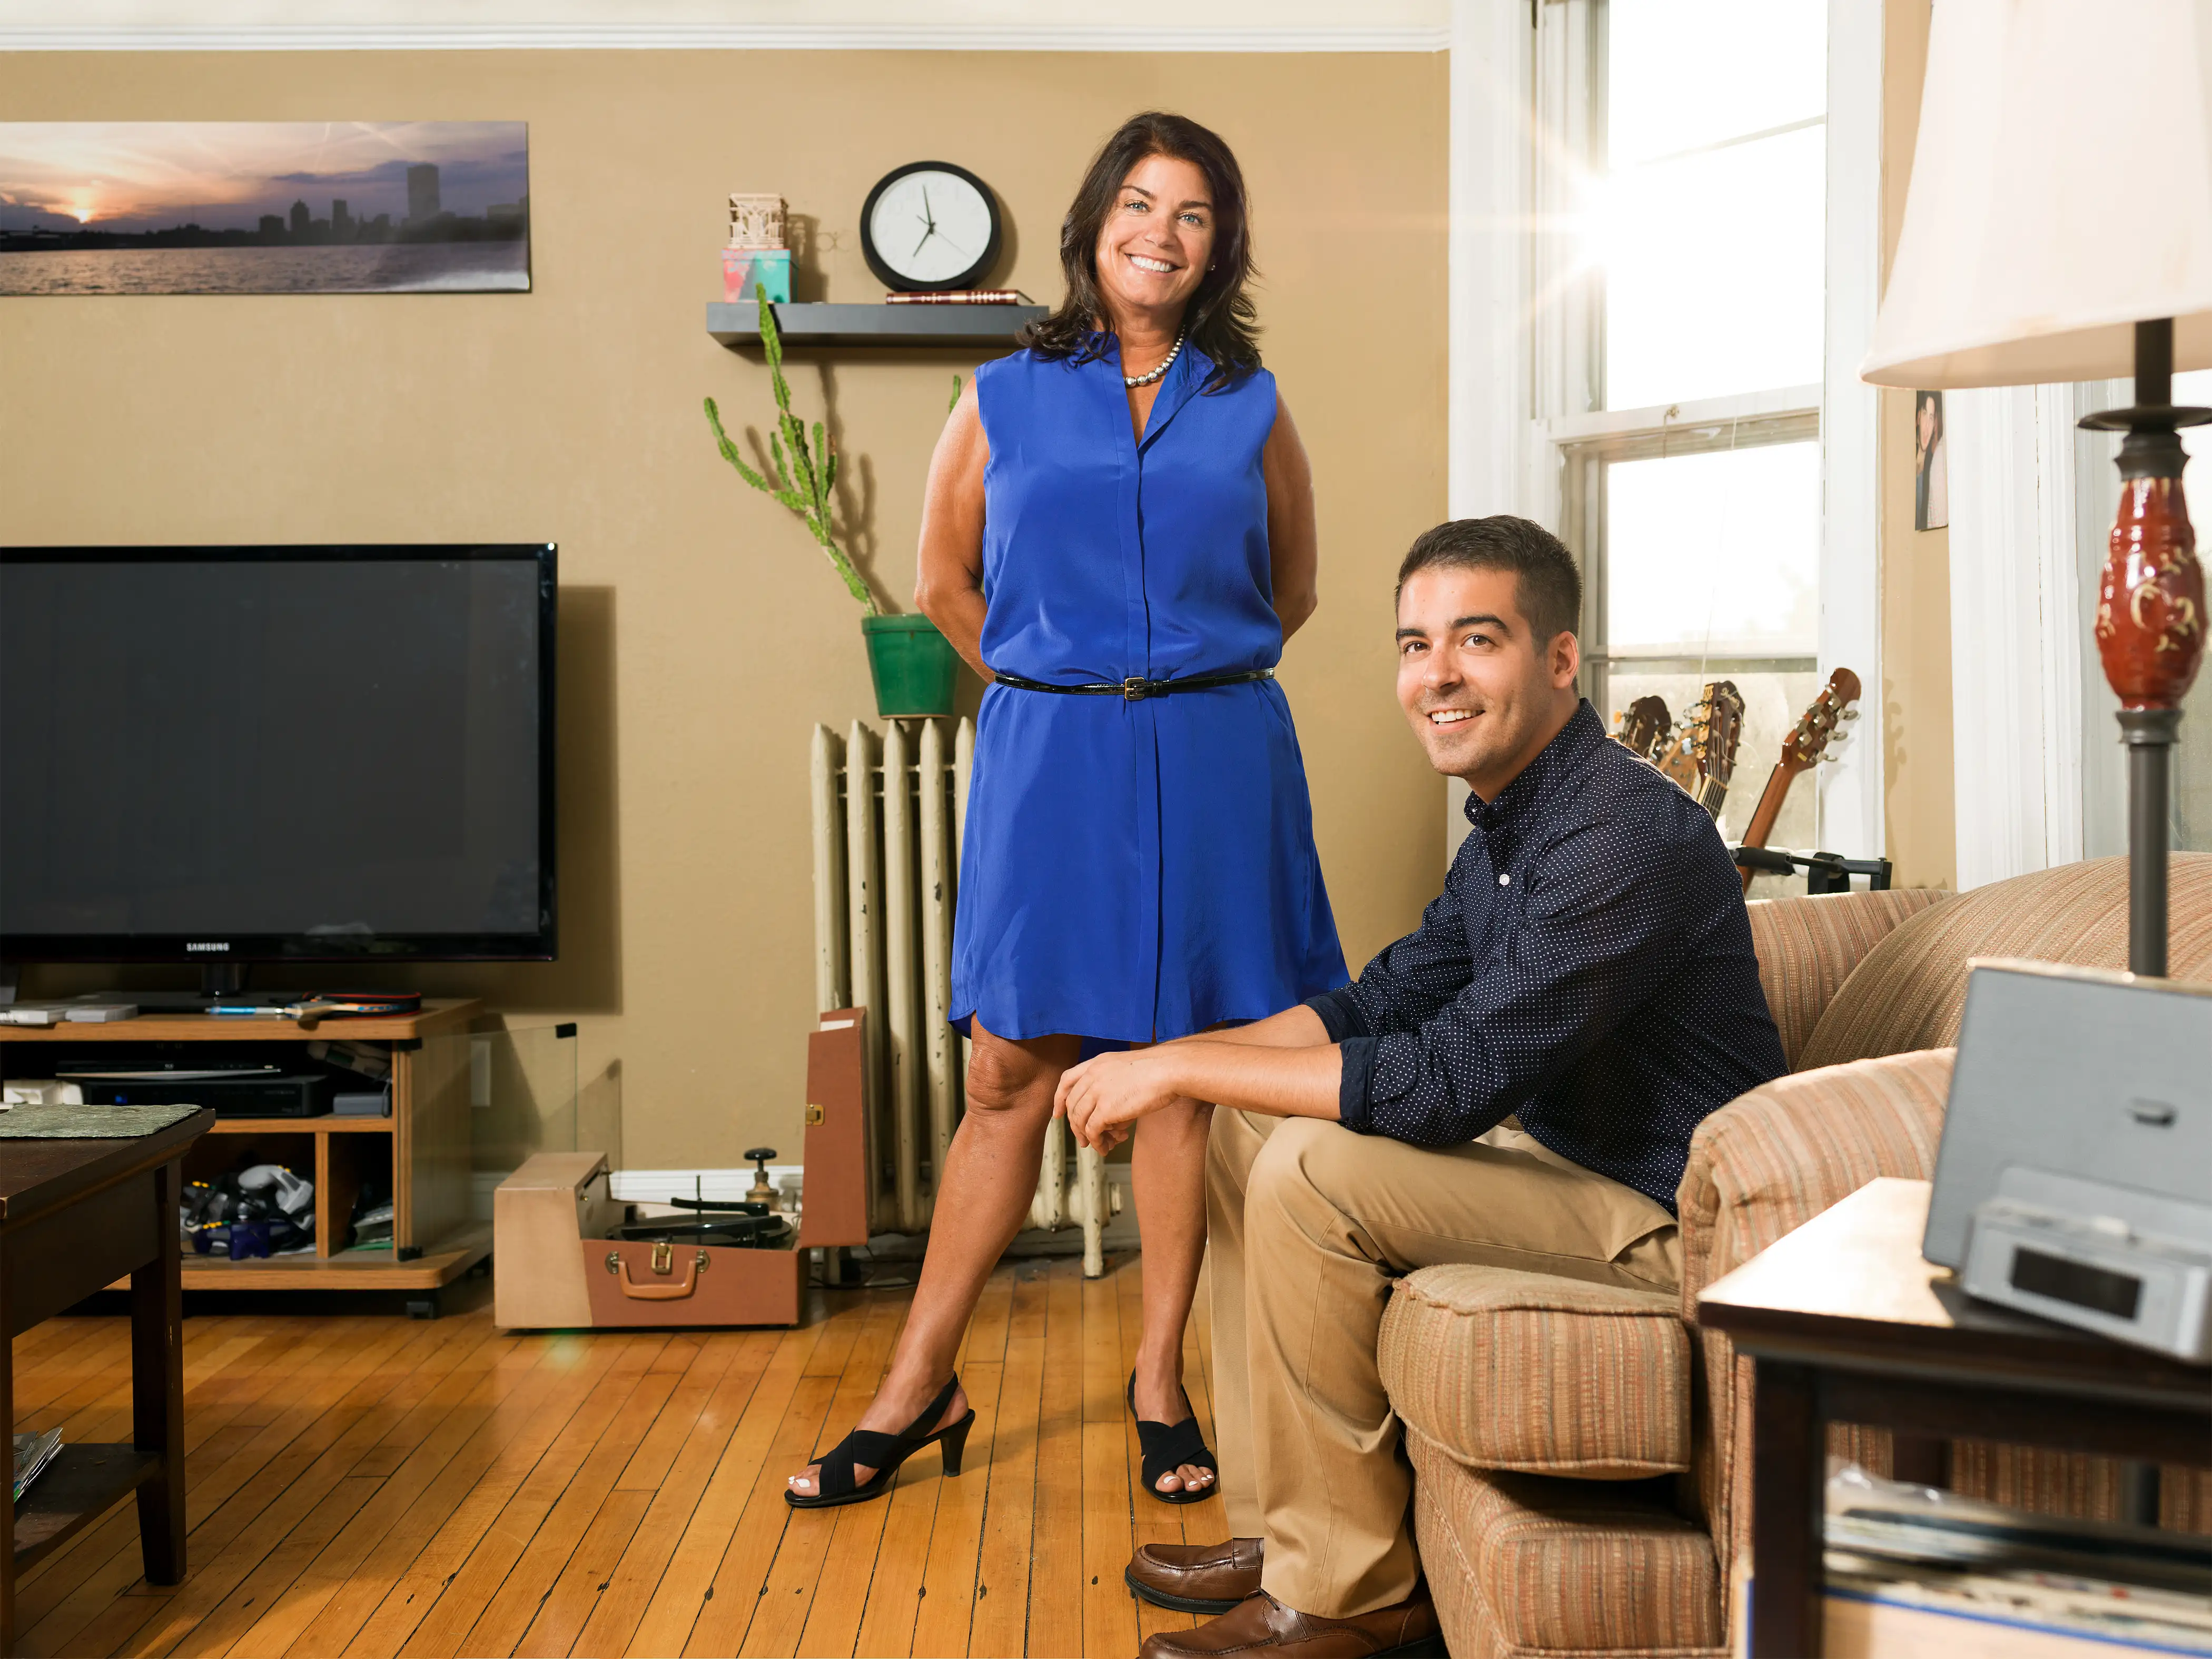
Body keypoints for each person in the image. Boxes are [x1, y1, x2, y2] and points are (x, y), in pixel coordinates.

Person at [1055, 516, 1789, 1657]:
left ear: (1558, 661)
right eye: (1414, 644)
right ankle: (1283, 1531)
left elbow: (1446, 1084)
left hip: (1673, 1221)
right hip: (1570, 1171)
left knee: (1310, 1166)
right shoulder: (1513, 817)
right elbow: (1382, 1001)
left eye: (1476, 640)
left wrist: (1176, 1064)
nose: (1436, 674)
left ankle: (1347, 1595)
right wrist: (1178, 1070)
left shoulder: (1621, 836)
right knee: (1249, 1121)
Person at [785, 112, 1345, 1509]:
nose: (1161, 229)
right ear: (1096, 221)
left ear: (1222, 245)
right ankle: (917, 1383)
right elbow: (944, 584)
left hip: (1218, 753)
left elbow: (1296, 587)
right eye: (1140, 202)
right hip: (1051, 760)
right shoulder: (1001, 395)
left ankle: (1160, 1379)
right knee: (1005, 1074)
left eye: (1195, 211)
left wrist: (1179, 674)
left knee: (1182, 1072)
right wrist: (1058, 688)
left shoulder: (1252, 400)